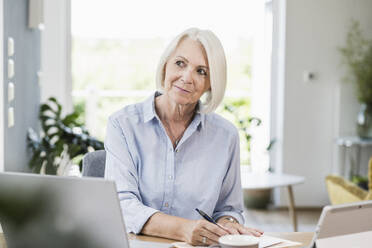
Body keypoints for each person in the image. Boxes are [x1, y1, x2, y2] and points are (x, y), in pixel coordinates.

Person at [104, 28, 263, 246]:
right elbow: (121, 205)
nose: (187, 77)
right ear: (165, 65)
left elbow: (228, 208)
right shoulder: (122, 125)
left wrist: (228, 223)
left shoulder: (226, 136)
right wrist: (184, 229)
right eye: (180, 63)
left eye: (202, 71)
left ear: (211, 84)